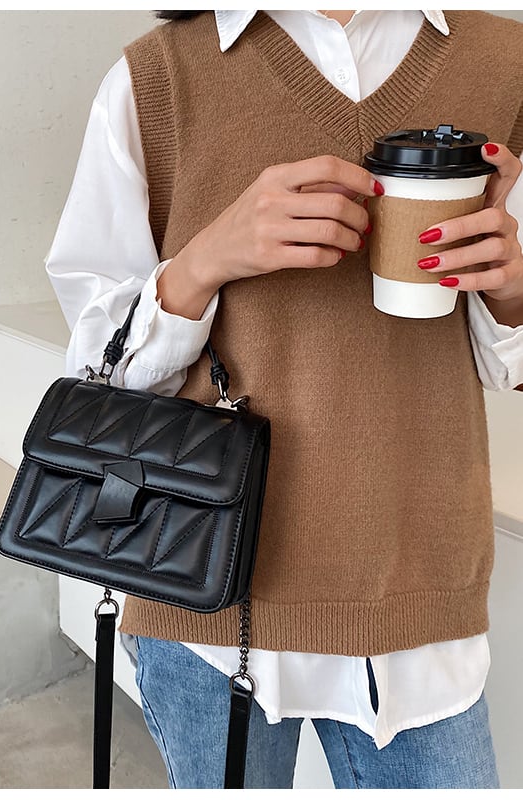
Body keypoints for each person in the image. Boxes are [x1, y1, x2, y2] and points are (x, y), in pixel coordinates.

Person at [45, 10, 523, 790]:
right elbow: (101, 371)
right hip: (203, 593)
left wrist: (511, 287)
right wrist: (207, 257)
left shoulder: (506, 64)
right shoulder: (157, 79)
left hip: (420, 602)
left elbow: (508, 364)